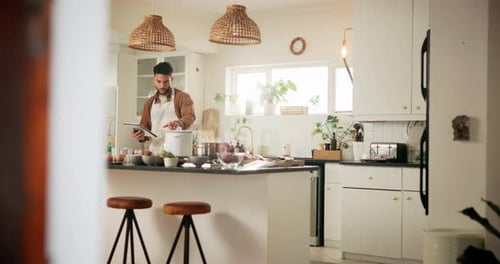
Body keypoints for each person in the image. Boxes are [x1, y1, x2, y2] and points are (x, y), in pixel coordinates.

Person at [131, 61, 196, 153]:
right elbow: (145, 128)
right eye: (159, 81)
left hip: (176, 152)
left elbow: (190, 117)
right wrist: (140, 136)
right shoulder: (149, 103)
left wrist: (178, 123)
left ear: (171, 79)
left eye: (166, 82)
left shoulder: (182, 97)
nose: (162, 85)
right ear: (154, 79)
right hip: (155, 153)